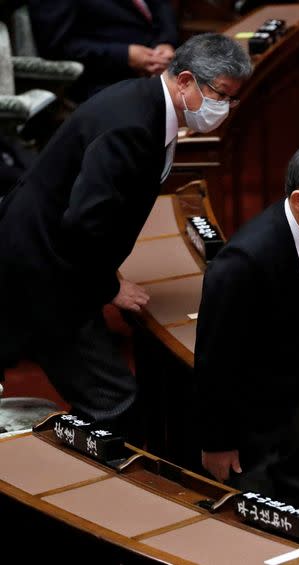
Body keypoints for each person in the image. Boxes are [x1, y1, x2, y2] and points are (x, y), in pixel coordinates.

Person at [0, 33, 251, 431]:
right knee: (116, 408)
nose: (226, 108)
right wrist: (108, 287)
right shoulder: (132, 127)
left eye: (232, 99)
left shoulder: (145, 101)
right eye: (221, 95)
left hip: (46, 249)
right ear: (185, 80)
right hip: (42, 267)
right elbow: (86, 221)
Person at [194, 141, 299, 508]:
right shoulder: (243, 262)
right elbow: (213, 359)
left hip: (294, 403)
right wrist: (217, 442)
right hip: (248, 422)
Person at [28, 0, 180, 102]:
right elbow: (57, 46)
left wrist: (166, 42)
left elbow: (160, 4)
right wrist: (125, 55)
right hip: (102, 77)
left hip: (163, 64)